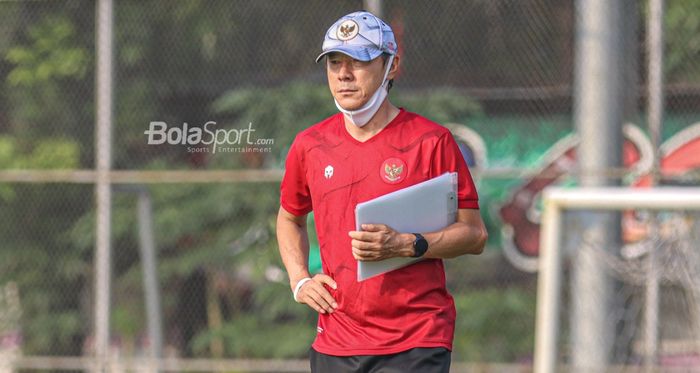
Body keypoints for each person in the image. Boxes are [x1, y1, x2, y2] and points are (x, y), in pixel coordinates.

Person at [276, 10, 488, 373]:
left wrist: (409, 244)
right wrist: (299, 280)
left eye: (358, 61)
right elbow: (289, 218)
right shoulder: (309, 144)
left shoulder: (431, 141)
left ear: (391, 66)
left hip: (417, 339)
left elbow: (475, 234)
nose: (343, 74)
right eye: (334, 62)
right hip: (336, 339)